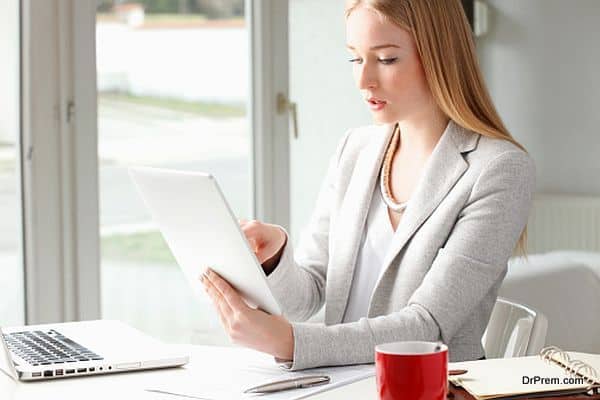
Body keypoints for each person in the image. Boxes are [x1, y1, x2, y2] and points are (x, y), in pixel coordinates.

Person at [200, 0, 535, 371]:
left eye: (387, 59)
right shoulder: (355, 149)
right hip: (339, 386)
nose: (363, 81)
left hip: (429, 391)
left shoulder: (499, 169)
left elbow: (428, 327)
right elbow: (308, 295)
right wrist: (277, 255)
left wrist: (290, 341)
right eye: (355, 59)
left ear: (440, 54)